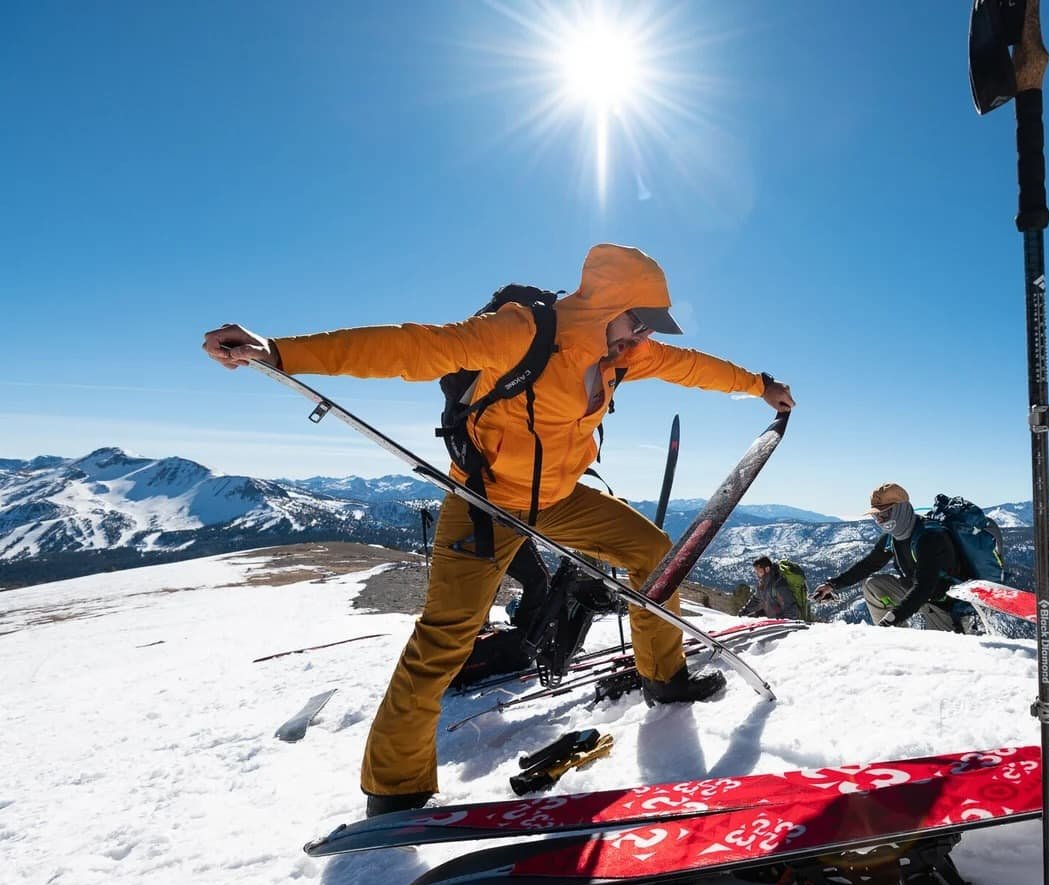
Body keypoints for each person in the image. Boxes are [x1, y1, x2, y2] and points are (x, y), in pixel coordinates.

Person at [203, 243, 796, 816]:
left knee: (654, 553)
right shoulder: (522, 330)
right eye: (638, 321)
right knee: (444, 638)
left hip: (560, 497)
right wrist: (279, 352)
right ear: (607, 304)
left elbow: (691, 367)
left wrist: (760, 386)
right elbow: (410, 347)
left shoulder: (621, 354)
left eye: (649, 328)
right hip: (484, 500)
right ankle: (394, 790)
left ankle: (664, 679)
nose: (643, 337)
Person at [811, 483, 964, 631]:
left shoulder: (929, 537)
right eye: (876, 515)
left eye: (884, 514)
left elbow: (925, 586)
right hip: (915, 594)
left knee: (941, 645)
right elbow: (868, 565)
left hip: (941, 602)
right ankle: (893, 638)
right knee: (873, 585)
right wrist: (832, 585)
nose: (880, 520)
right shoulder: (892, 538)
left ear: (900, 509)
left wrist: (896, 615)